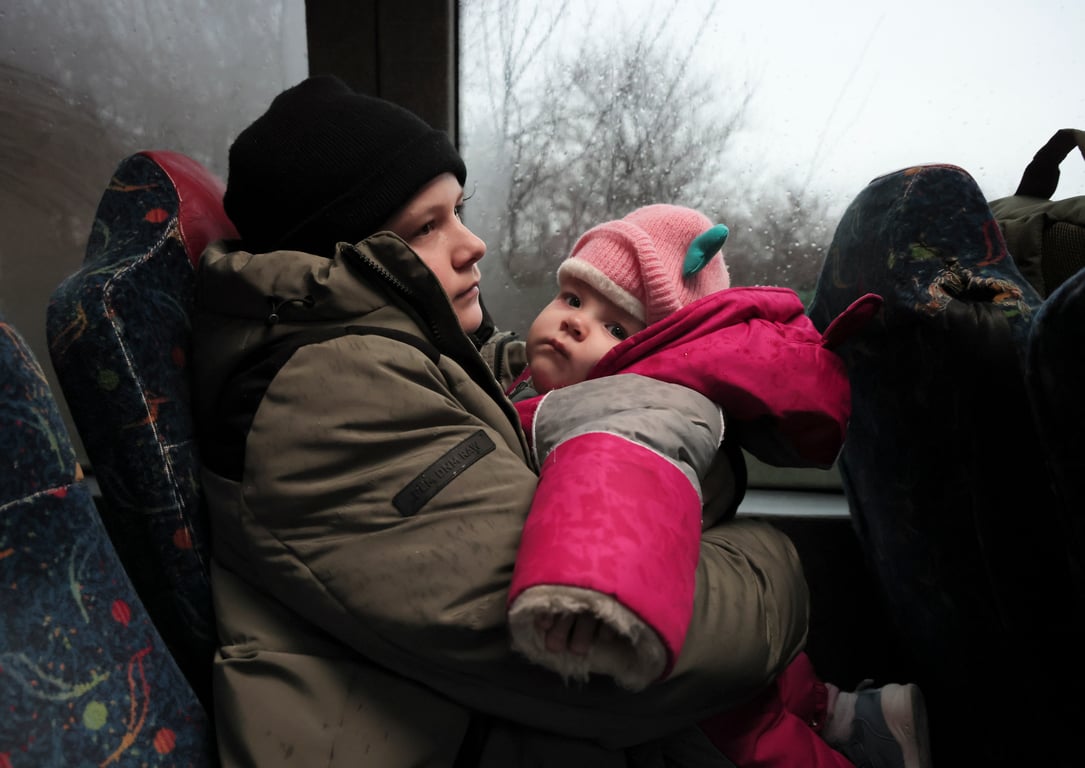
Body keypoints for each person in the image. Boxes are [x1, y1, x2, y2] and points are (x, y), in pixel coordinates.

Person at [191, 74, 811, 767]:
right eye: (426, 227)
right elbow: (597, 648)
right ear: (335, 251)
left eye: (460, 210)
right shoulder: (328, 394)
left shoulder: (417, 352)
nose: (473, 244)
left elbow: (548, 385)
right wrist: (775, 560)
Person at [500, 203, 931, 768]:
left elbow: (617, 476)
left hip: (643, 618)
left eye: (616, 328)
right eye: (573, 299)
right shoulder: (546, 379)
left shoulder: (633, 402)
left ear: (651, 352)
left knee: (742, 742)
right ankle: (855, 718)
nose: (575, 323)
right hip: (709, 609)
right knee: (768, 699)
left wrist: (591, 593)